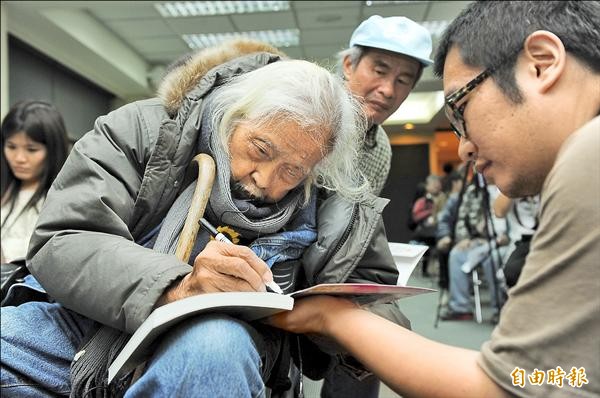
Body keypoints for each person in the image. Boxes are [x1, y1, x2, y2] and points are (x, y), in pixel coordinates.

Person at [0, 39, 408, 397]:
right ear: (232, 115)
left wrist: (322, 317)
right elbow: (66, 237)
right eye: (261, 150)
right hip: (90, 322)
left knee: (214, 350)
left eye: (293, 171)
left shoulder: (333, 203)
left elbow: (385, 307)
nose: (265, 180)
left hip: (233, 341)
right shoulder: (144, 129)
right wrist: (177, 284)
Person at [269, 2, 600, 397]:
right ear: (347, 65)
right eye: (378, 69)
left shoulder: (589, 154)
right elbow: (564, 378)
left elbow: (514, 384)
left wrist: (333, 315)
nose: (462, 150)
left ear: (542, 64)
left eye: (460, 109)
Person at [322, 15, 434, 398]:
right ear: (349, 64)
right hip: (272, 258)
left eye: (404, 80)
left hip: (331, 272)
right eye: (379, 69)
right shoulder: (304, 115)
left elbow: (356, 226)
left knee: (382, 331)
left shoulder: (380, 149)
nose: (387, 89)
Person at [1, 100, 70, 264]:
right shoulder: (6, 190)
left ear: (53, 150)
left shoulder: (65, 199)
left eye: (31, 149)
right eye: (11, 146)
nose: (19, 158)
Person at [437, 177, 509, 321]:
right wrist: (464, 238)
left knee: (493, 260)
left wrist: (504, 237)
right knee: (456, 255)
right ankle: (460, 308)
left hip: (505, 241)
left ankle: (500, 309)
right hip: (477, 240)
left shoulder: (508, 188)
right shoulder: (472, 191)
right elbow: (462, 218)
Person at [493, 193, 540, 288]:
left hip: (545, 237)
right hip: (520, 241)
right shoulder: (511, 185)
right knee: (510, 273)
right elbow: (499, 211)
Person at [410, 174, 445, 277]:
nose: (437, 187)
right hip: (425, 231)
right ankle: (425, 269)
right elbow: (415, 216)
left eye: (438, 185)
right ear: (428, 186)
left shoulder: (443, 197)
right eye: (434, 185)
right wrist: (429, 212)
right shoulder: (422, 200)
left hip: (438, 230)